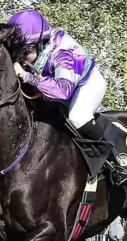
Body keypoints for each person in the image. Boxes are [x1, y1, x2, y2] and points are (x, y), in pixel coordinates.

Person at [7, 9, 111, 147]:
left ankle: (112, 160)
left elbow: (63, 91)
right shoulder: (36, 47)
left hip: (85, 84)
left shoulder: (64, 54)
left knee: (78, 118)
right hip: (54, 84)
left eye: (25, 51)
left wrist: (27, 77)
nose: (20, 57)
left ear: (39, 45)